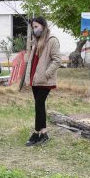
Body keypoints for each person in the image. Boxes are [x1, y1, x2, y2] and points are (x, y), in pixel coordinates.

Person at [24, 16, 62, 146]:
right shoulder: (36, 41)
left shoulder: (52, 40)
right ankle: (44, 133)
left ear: (43, 26)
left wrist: (47, 74)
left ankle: (36, 133)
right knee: (39, 106)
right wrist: (29, 78)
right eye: (33, 27)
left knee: (39, 105)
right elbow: (32, 62)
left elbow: (57, 60)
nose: (34, 30)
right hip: (35, 80)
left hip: (44, 80)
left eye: (36, 27)